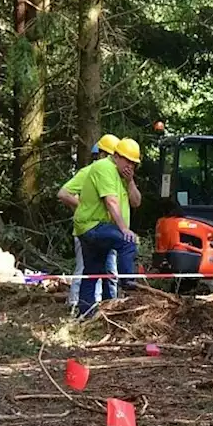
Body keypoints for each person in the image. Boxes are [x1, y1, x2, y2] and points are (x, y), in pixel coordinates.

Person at [72, 137, 144, 317]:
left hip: (96, 227)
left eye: (134, 164)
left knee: (92, 272)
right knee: (129, 242)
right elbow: (111, 202)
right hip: (93, 225)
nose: (130, 166)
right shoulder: (104, 168)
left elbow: (136, 202)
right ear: (117, 156)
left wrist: (130, 181)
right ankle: (129, 284)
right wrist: (124, 230)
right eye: (128, 161)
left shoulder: (122, 176)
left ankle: (86, 314)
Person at [58, 135, 123, 309]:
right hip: (88, 230)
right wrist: (84, 208)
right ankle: (76, 306)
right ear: (103, 155)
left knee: (109, 272)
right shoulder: (88, 172)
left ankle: (109, 307)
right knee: (86, 270)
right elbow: (63, 193)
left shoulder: (114, 175)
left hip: (106, 231)